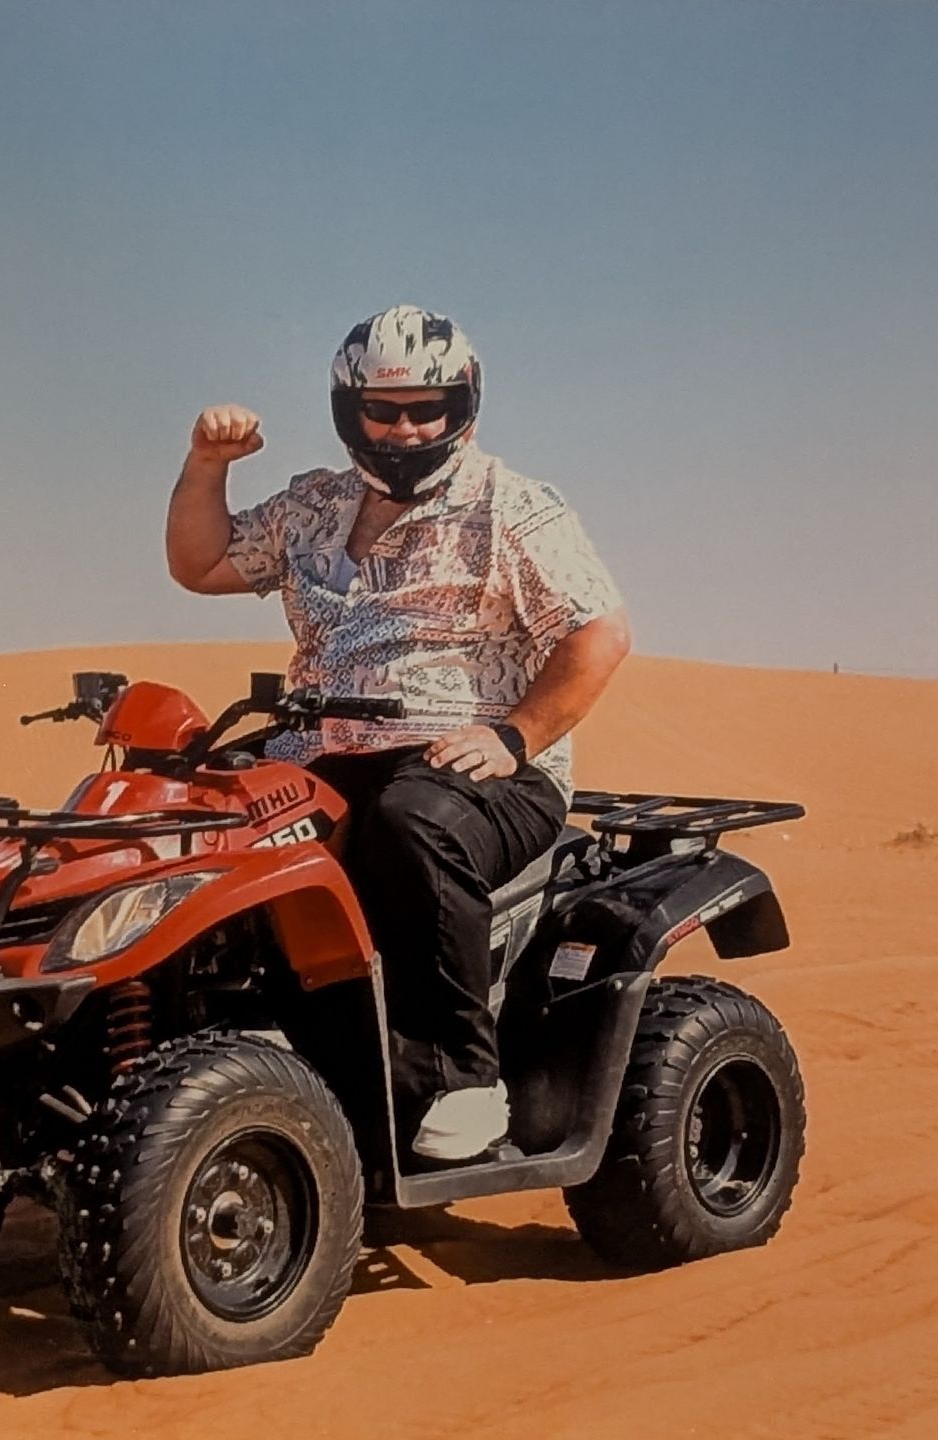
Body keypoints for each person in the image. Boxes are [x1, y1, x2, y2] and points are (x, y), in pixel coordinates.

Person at [165, 304, 631, 1162]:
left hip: (478, 766)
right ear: (351, 413)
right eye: (384, 410)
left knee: (408, 821)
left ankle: (460, 1081)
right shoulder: (312, 505)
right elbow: (200, 564)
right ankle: (194, 1053)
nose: (406, 427)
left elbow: (598, 634)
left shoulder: (514, 508)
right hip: (323, 751)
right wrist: (205, 466)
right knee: (194, 814)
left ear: (464, 408)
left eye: (429, 408)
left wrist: (517, 736)